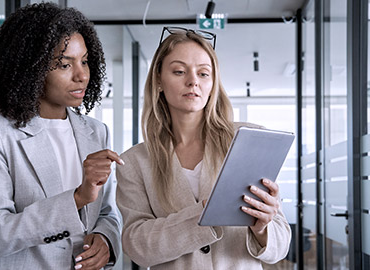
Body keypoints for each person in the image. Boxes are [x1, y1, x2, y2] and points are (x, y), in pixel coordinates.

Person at [0, 3, 123, 269]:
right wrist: (76, 199)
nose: (81, 75)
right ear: (31, 69)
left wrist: (106, 240)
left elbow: (107, 212)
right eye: (64, 64)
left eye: (84, 61)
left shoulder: (95, 131)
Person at [116, 27, 291, 269]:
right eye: (179, 71)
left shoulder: (248, 140)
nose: (193, 81)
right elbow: (138, 246)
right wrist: (204, 214)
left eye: (204, 73)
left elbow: (280, 247)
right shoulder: (134, 162)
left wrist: (263, 227)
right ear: (158, 80)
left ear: (213, 83)